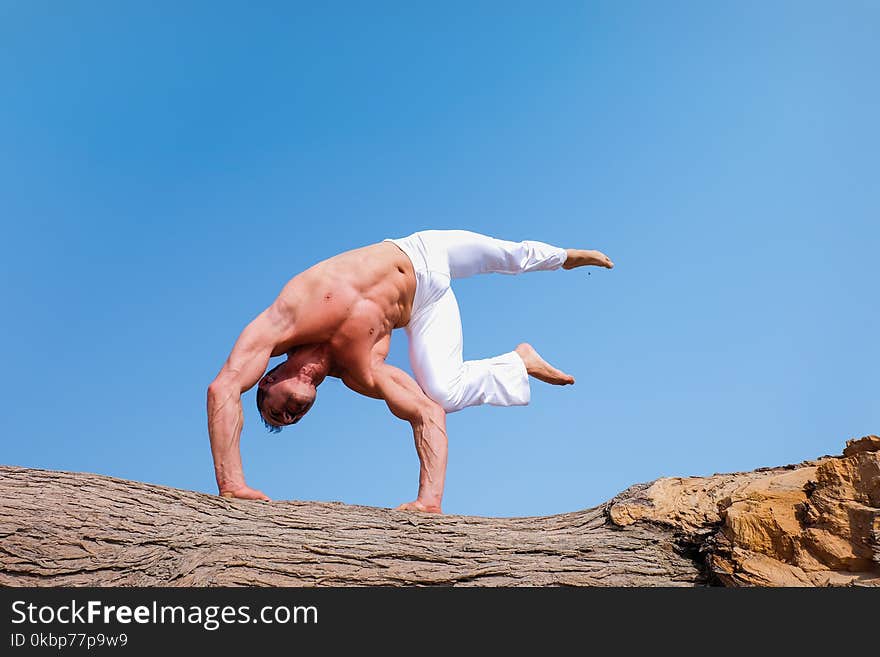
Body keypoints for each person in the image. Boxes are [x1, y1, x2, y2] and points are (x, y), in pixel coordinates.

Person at [207, 229, 614, 513]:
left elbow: (223, 386)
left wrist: (230, 484)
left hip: (422, 251)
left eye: (274, 410)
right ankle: (517, 362)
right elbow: (426, 412)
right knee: (443, 394)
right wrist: (429, 501)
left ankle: (565, 257)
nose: (288, 417)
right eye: (291, 421)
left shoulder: (286, 320)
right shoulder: (361, 370)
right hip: (425, 306)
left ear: (267, 379)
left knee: (508, 256)